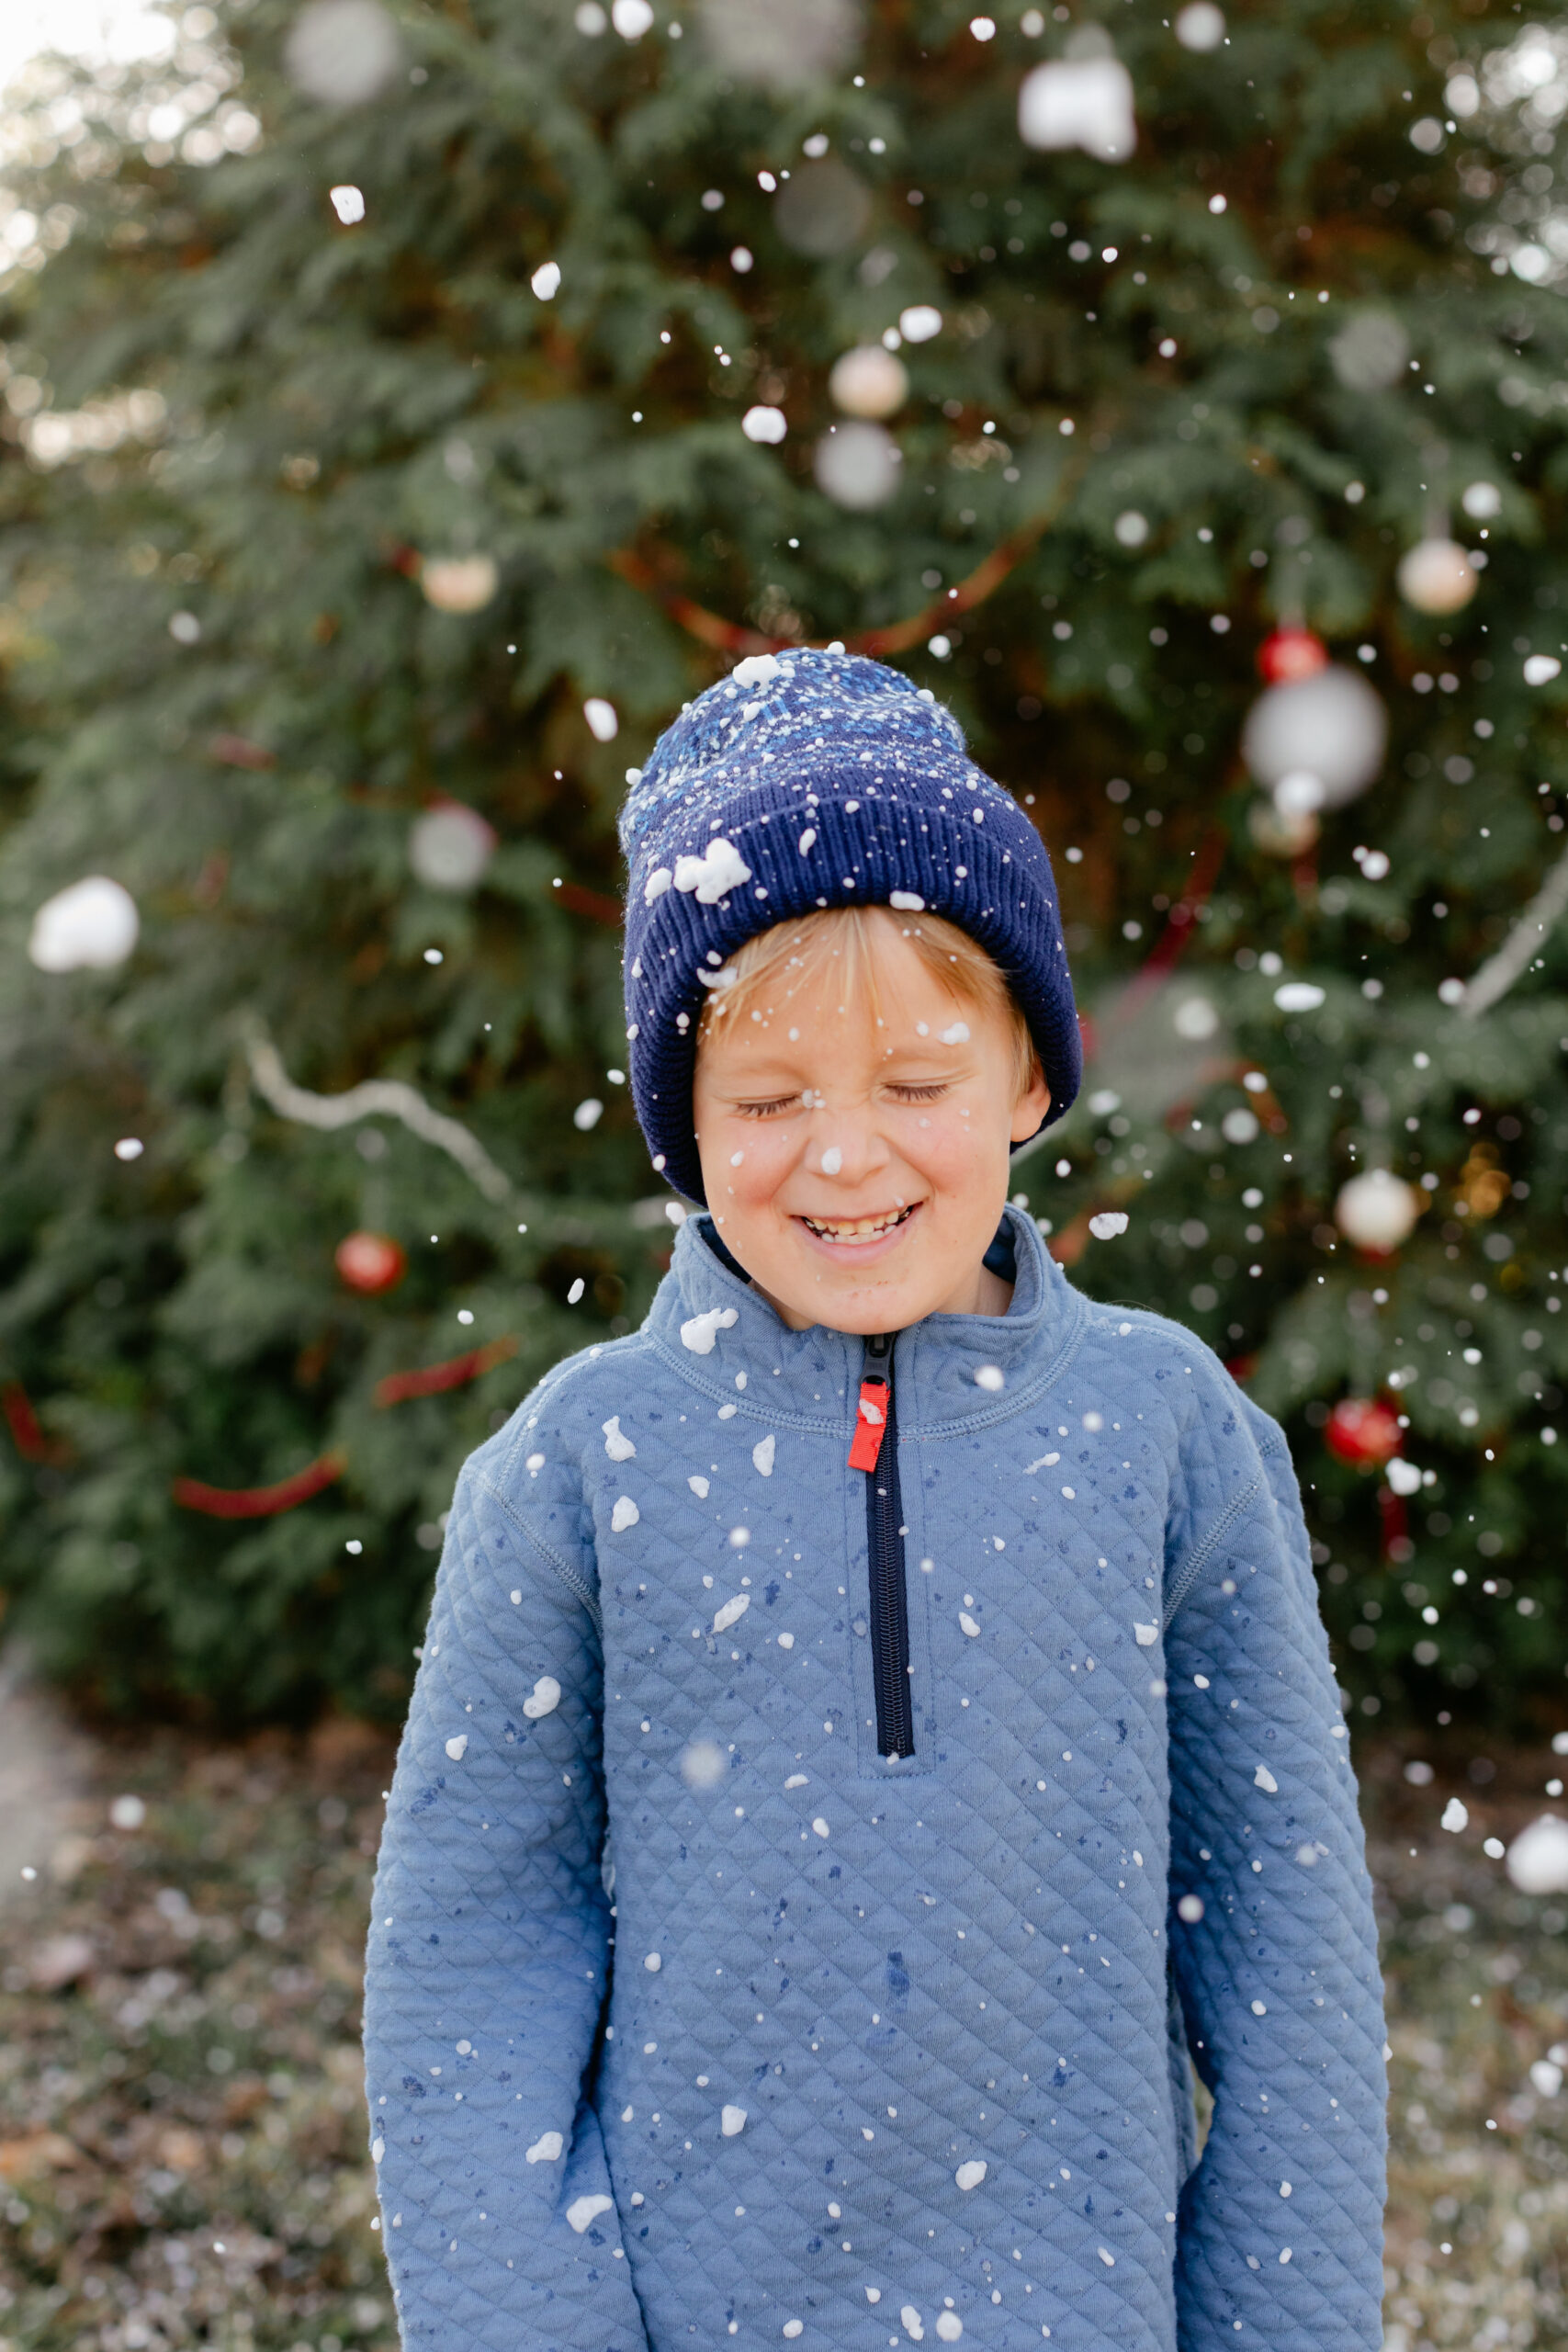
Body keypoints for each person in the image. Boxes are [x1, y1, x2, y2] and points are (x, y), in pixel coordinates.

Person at [363, 650, 1386, 2352]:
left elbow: (1286, 1954)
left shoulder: (1165, 1436)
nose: (847, 1157)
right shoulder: (578, 1468)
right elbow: (468, 1977)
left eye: (916, 1085)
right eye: (769, 1102)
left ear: (1029, 1083)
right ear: (682, 1123)